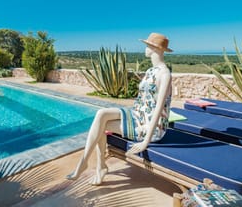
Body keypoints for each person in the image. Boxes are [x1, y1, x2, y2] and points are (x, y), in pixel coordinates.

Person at [66, 33, 173, 185]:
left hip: (150, 126)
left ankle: (99, 167)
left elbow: (158, 110)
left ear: (154, 48)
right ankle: (89, 163)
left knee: (101, 127)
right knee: (101, 114)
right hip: (138, 114)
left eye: (147, 45)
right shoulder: (151, 71)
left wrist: (146, 141)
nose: (145, 49)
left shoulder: (165, 74)